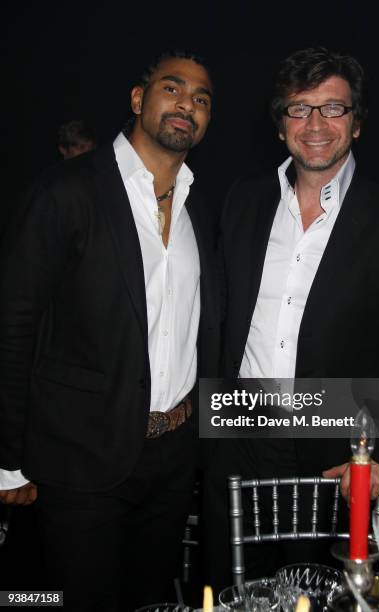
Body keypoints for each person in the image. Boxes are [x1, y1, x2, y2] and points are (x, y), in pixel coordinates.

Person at [203, 46, 379, 590]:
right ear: (280, 123)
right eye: (299, 108)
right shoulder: (241, 201)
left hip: (332, 448)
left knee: (311, 591)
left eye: (333, 109)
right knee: (228, 588)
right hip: (237, 428)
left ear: (356, 123)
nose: (315, 124)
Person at [0, 50, 219, 612]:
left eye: (200, 98)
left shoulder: (202, 207)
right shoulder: (68, 191)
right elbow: (14, 322)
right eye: (172, 89)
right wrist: (7, 459)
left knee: (148, 600)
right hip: (82, 457)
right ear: (138, 99)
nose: (186, 105)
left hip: (172, 462)